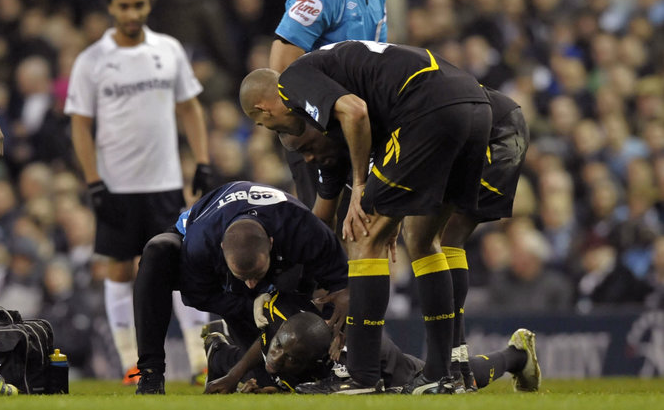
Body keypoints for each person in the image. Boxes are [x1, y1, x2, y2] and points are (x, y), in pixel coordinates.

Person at [240, 40, 493, 394]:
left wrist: (361, 185)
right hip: (475, 104)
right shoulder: (338, 70)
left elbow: (355, 111)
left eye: (264, 123)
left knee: (361, 234)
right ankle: (440, 372)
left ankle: (358, 375)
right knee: (425, 240)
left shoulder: (292, 80)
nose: (273, 129)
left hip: (426, 107)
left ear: (262, 108)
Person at [278, 86, 530, 391]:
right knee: (437, 241)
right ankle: (507, 357)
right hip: (475, 117)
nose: (309, 158)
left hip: (476, 122)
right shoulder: (341, 138)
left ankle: (476, 360)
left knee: (432, 239)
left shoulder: (354, 125)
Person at [64, 0, 213, 384]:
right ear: (111, 8)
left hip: (165, 183)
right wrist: (94, 181)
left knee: (180, 268)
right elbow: (80, 125)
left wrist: (202, 160)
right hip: (116, 186)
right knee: (118, 270)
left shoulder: (168, 50)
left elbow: (190, 108)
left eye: (138, 6)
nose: (132, 14)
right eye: (124, 6)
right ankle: (131, 361)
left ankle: (202, 358)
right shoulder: (92, 60)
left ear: (149, 4)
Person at [133, 180, 349, 394]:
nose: (251, 283)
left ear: (271, 243)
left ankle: (220, 355)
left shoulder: (301, 227)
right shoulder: (201, 244)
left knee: (289, 372)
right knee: (157, 251)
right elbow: (197, 296)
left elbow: (342, 281)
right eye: (243, 277)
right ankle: (150, 372)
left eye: (256, 275)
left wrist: (330, 332)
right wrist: (249, 304)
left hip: (283, 268)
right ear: (222, 248)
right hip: (207, 249)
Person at [202, 292, 540, 395]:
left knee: (460, 385)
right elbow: (264, 345)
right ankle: (217, 348)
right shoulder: (287, 335)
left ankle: (516, 354)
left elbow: (335, 393)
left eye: (290, 357)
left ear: (322, 356)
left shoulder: (347, 359)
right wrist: (232, 376)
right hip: (312, 367)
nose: (277, 357)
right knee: (251, 372)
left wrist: (287, 392)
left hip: (396, 376)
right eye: (278, 347)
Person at [270, 0, 387, 208]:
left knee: (362, 223)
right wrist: (307, 134)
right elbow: (282, 64)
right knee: (325, 228)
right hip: (320, 133)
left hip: (356, 126)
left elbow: (379, 59)